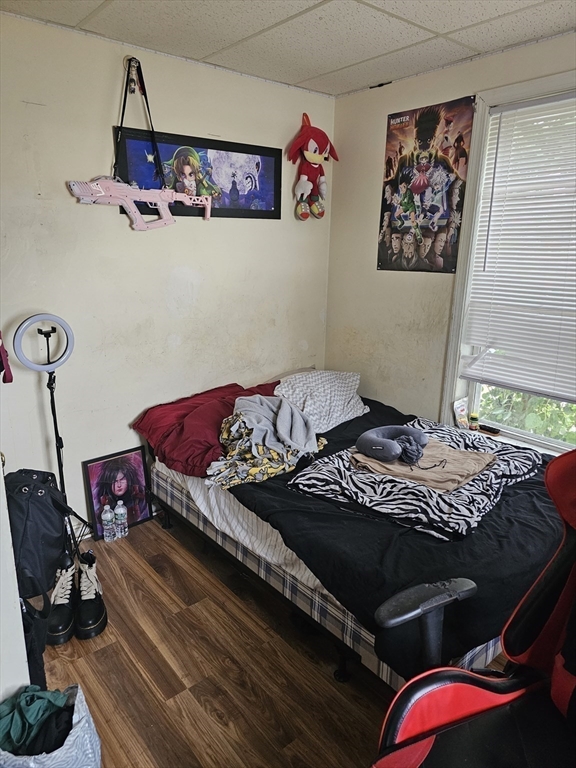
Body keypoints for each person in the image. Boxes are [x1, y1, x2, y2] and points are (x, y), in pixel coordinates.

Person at [95, 455, 147, 532]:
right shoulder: (104, 506)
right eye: (114, 481)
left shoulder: (139, 500)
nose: (119, 485)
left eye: (122, 480)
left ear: (129, 479)